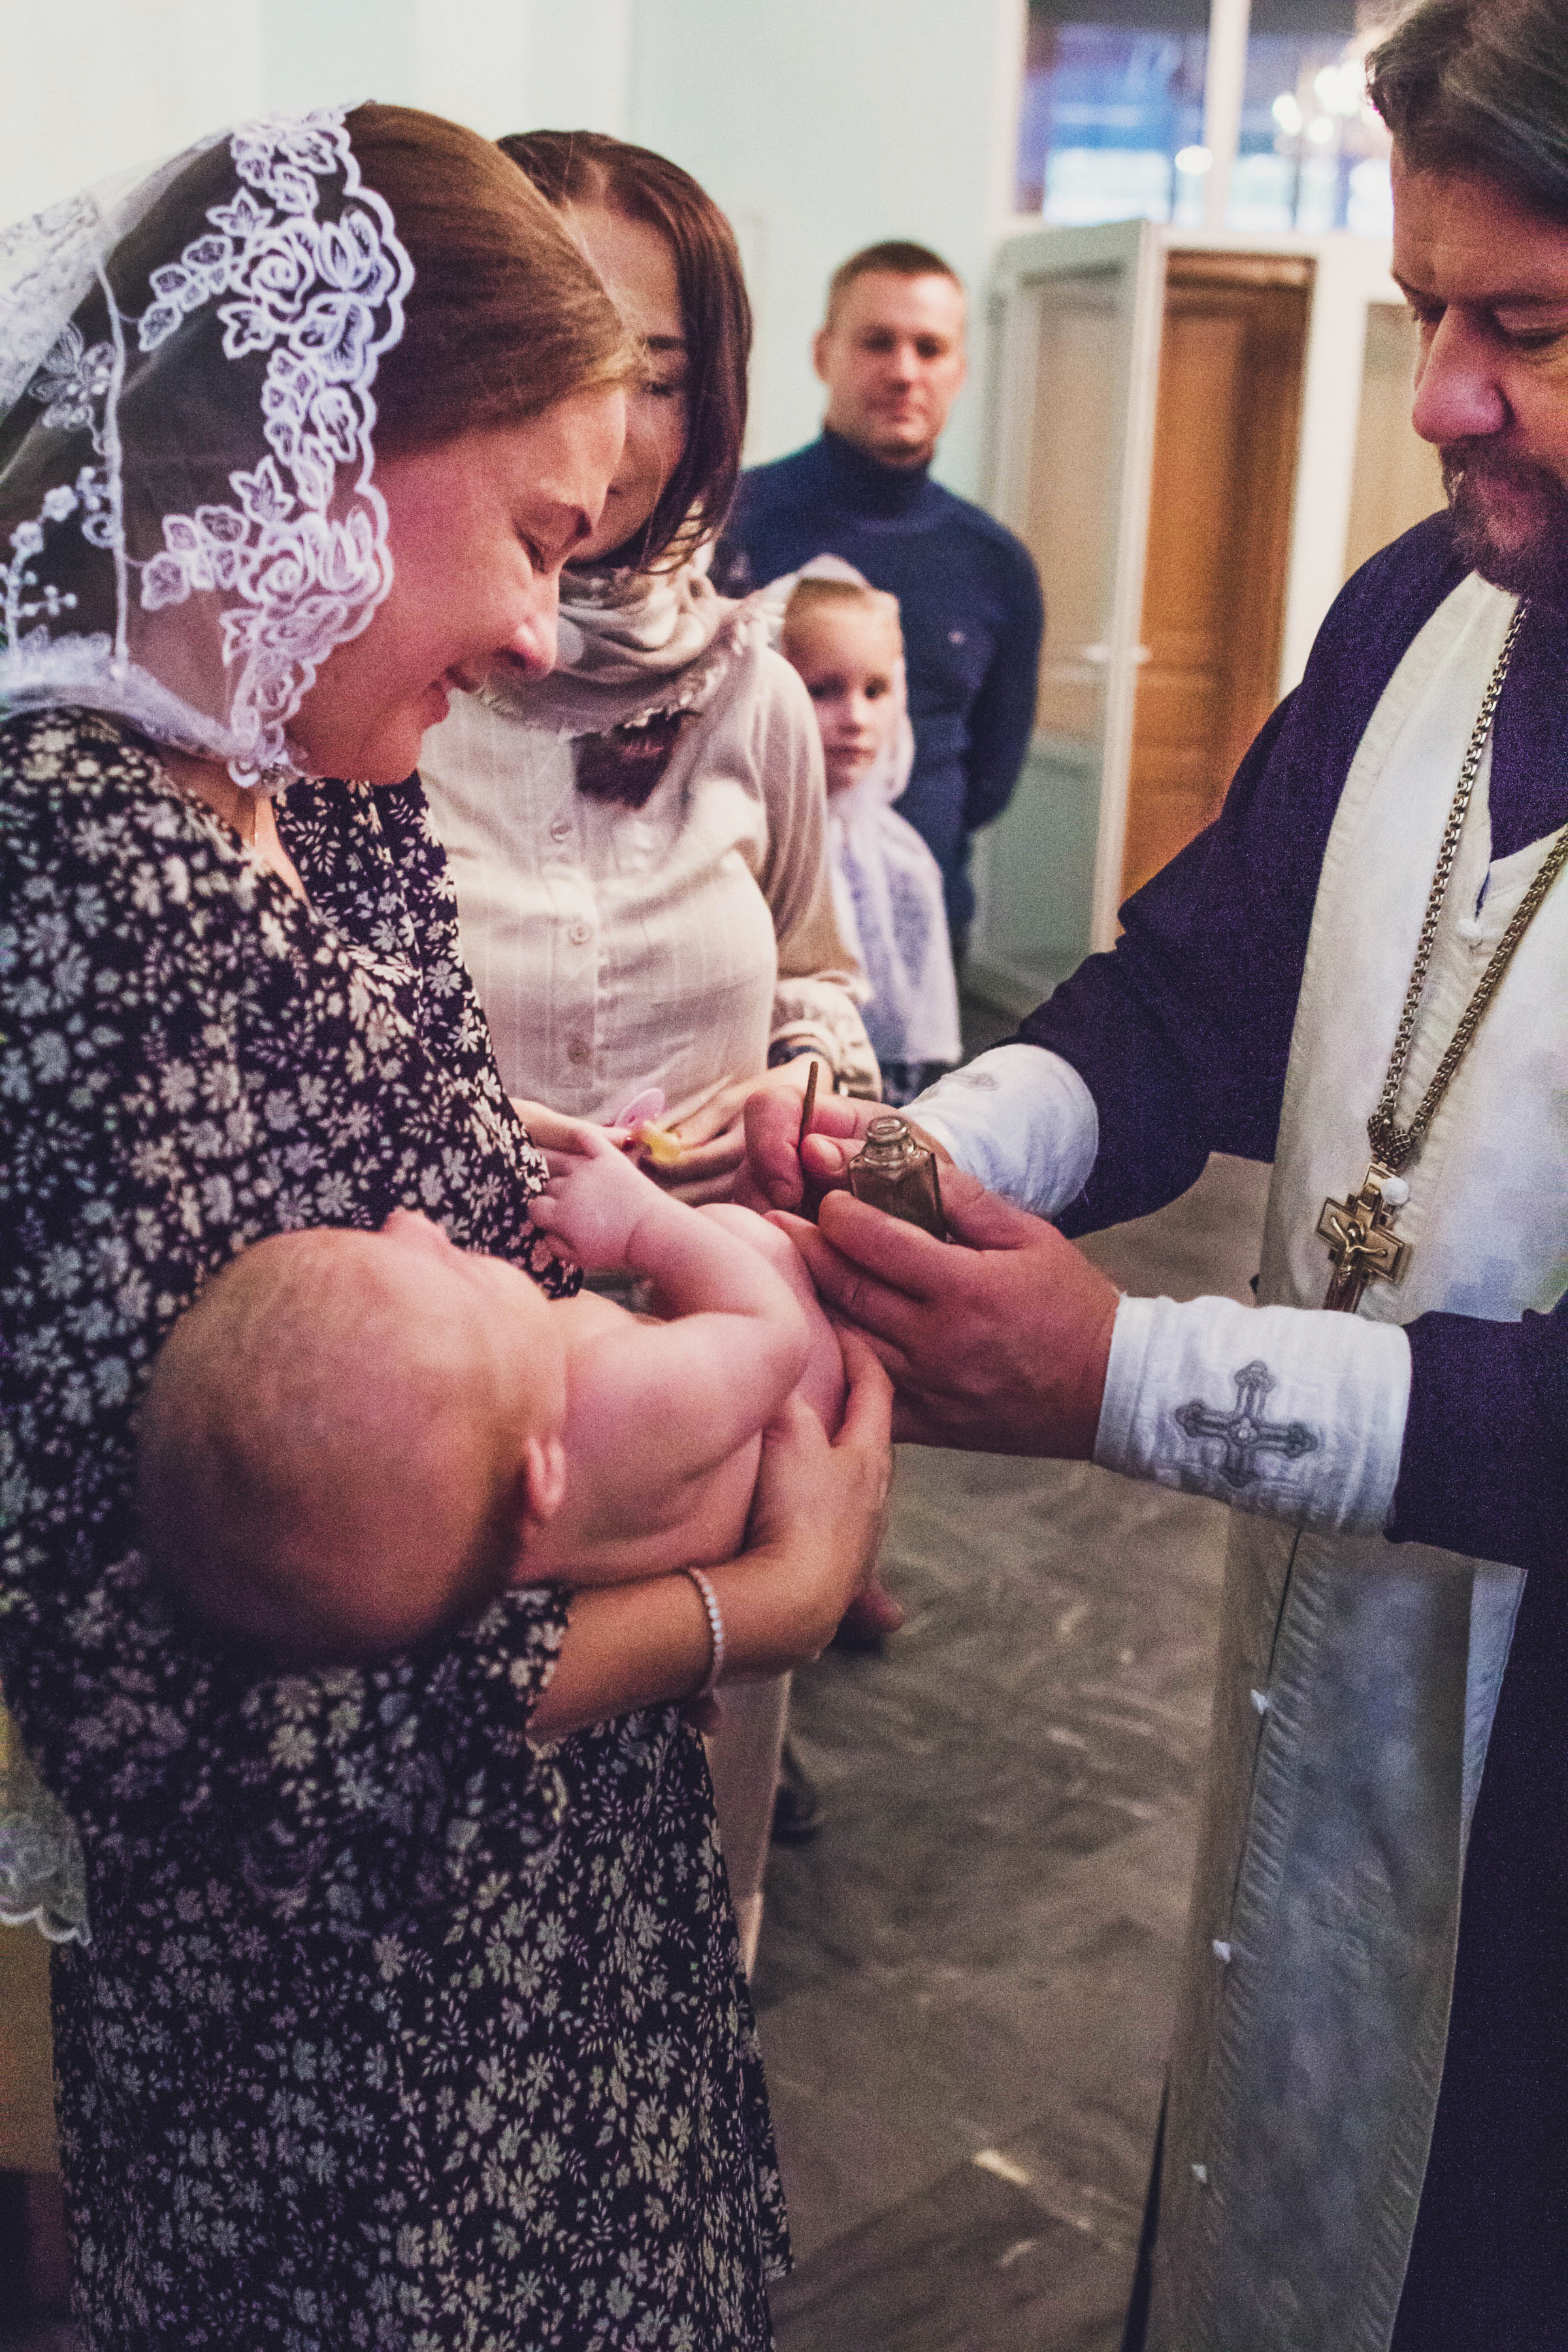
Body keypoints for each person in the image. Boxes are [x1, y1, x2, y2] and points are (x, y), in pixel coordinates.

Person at [0, 105, 892, 2349]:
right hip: (339, 2052)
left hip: (553, 1920)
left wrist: (637, 1203)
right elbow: (159, 1717)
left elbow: (428, 1221)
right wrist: (737, 1607)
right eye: (526, 528)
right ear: (322, 447)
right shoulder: (75, 881)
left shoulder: (323, 782)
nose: (526, 623)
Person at [740, 3, 1568, 2344]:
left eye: (1524, 327)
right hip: (1346, 1676)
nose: (1438, 401)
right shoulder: (1422, 615)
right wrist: (923, 1147)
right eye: (1428, 311)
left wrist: (1125, 1375)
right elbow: (1191, 993)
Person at [419, 127, 883, 1904]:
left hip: (717, 1383)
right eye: (553, 336)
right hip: (463, 1439)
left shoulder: (753, 690)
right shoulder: (383, 688)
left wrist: (813, 1092)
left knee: (683, 1928)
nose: (604, 415)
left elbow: (817, 967)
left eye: (662, 372)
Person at [142, 1166, 845, 1661]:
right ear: (539, 1475)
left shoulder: (459, 1534)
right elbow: (772, 1334)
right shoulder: (611, 1396)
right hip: (799, 1424)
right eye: (460, 1271)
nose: (412, 1223)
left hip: (686, 1499)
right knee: (745, 1238)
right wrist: (644, 1228)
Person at [721, 239, 1045, 953]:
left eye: (929, 348)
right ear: (822, 354)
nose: (904, 371)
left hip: (917, 938)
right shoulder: (727, 524)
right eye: (877, 342)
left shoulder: (996, 565)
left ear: (959, 371)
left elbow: (988, 784)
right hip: (746, 928)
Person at [776, 570, 960, 1103]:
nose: (855, 718)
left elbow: (914, 1031)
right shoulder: (757, 844)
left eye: (875, 690)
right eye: (823, 690)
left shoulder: (903, 859)